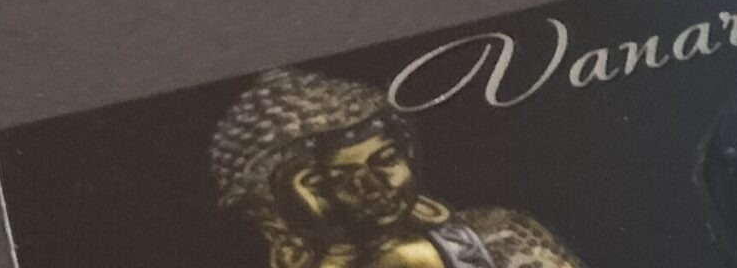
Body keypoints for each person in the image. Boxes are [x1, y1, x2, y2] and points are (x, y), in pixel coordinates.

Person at [207, 67, 581, 268]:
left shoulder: (498, 238)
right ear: (267, 209)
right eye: (325, 182)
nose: (372, 186)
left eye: (386, 160)